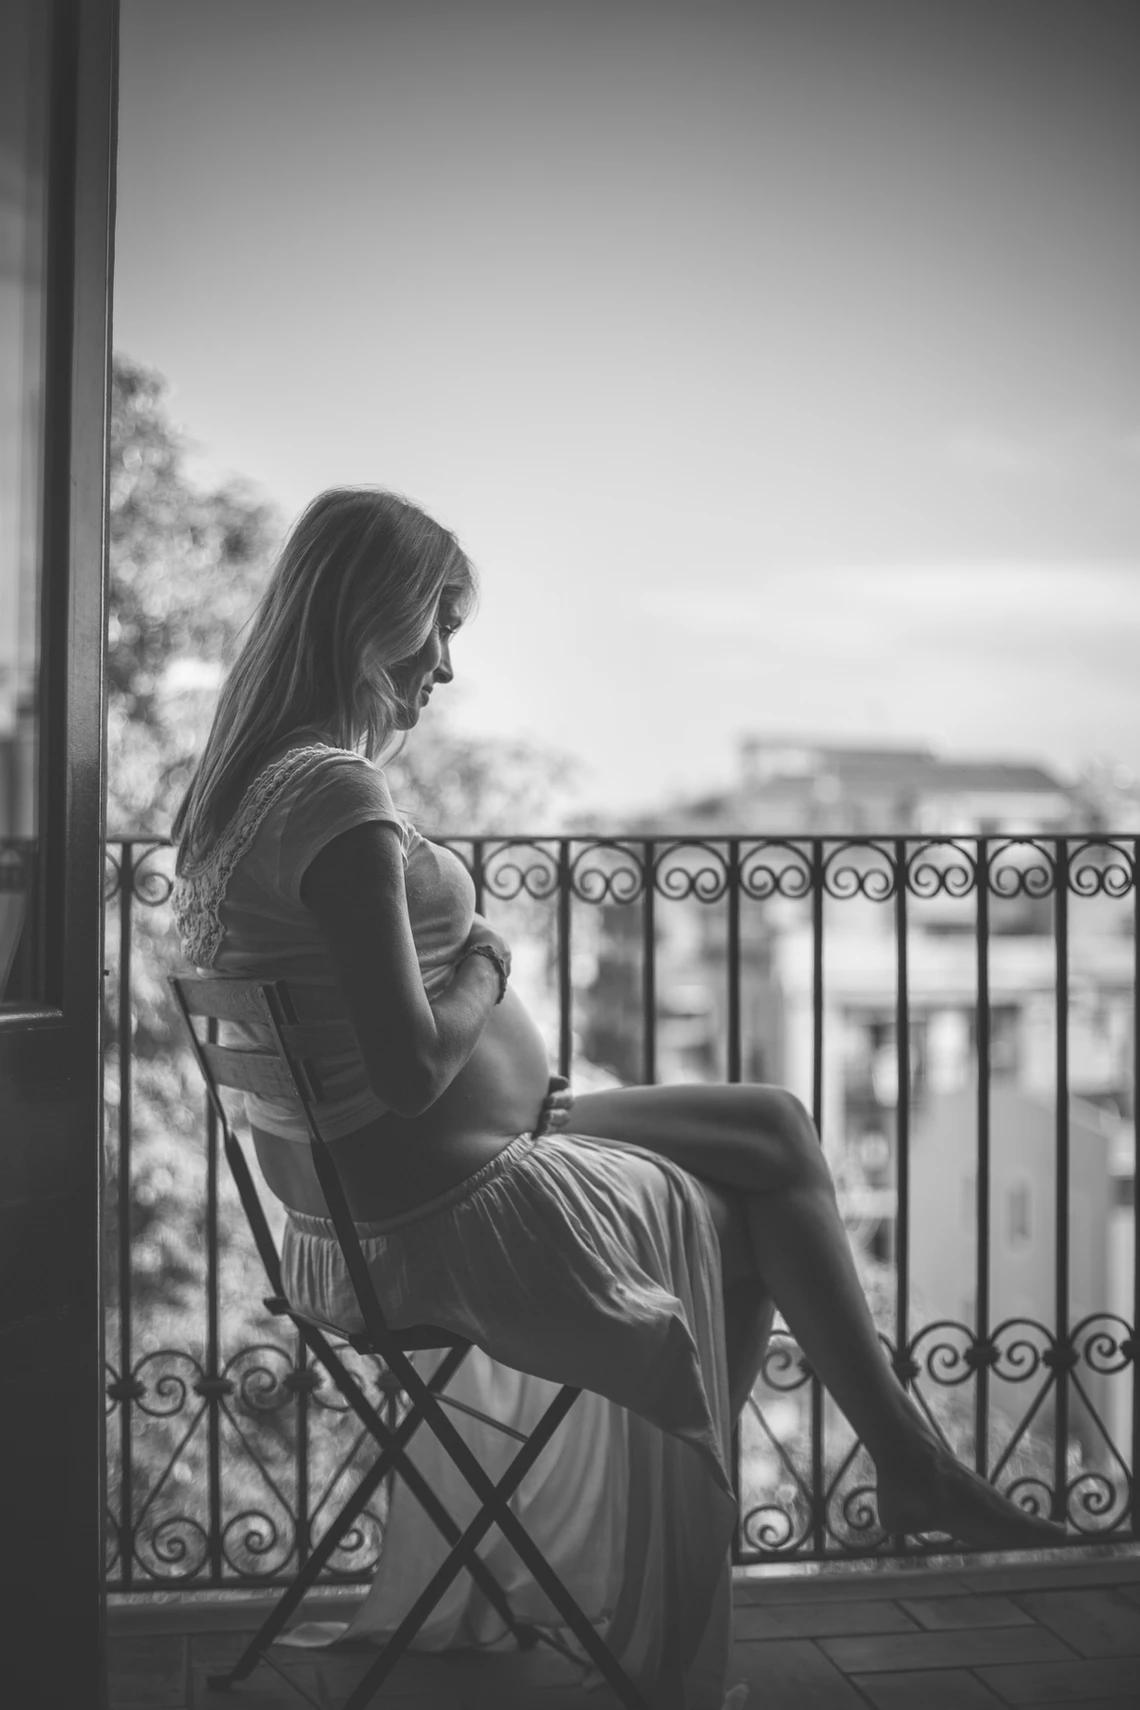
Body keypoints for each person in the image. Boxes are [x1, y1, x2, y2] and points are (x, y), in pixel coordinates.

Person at [171, 488, 1063, 1710]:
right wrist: (489, 958)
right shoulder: (332, 798)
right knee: (756, 1198)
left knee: (776, 1128)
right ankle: (854, 1474)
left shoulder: (237, 795)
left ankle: (859, 1470)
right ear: (370, 616)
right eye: (436, 622)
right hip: (442, 1210)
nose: (444, 662)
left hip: (398, 1186)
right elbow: (412, 1067)